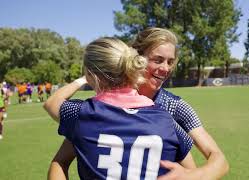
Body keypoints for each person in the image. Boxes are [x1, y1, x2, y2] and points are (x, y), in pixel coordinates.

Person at [49, 27, 229, 180]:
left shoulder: (175, 108)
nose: (165, 68)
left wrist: (193, 176)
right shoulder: (99, 106)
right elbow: (61, 161)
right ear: (137, 58)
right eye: (157, 60)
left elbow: (217, 159)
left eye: (170, 62)